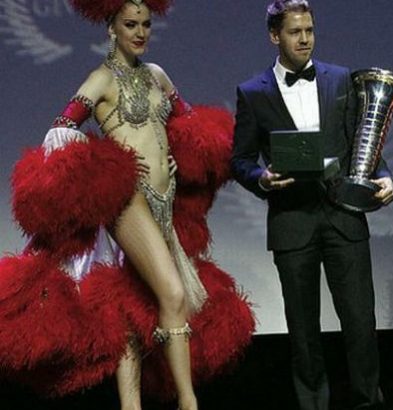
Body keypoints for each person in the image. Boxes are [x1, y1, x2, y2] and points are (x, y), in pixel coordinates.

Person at [0, 1, 255, 408]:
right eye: (131, 24)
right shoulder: (100, 79)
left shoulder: (156, 75)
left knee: (131, 304)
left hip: (164, 201)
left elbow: (189, 124)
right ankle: (189, 402)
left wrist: (179, 153)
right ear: (111, 29)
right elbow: (60, 131)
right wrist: (109, 166)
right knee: (173, 294)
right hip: (128, 202)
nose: (140, 33)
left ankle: (131, 405)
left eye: (146, 25)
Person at [231, 1, 393, 409]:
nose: (304, 39)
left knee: (360, 321)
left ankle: (367, 401)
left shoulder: (339, 78)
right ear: (275, 36)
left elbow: (362, 138)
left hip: (344, 216)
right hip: (292, 221)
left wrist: (384, 175)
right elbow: (241, 160)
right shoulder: (253, 92)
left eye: (309, 30)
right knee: (303, 330)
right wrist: (262, 179)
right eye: (294, 32)